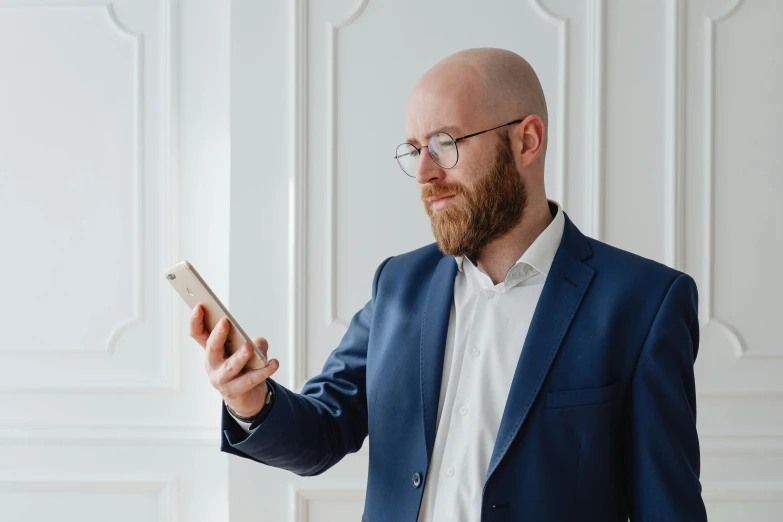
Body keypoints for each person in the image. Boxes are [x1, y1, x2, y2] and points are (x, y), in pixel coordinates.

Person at [189, 47, 708, 521]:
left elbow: (668, 508)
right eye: (414, 148)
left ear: (527, 140)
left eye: (445, 143)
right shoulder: (399, 285)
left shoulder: (645, 303)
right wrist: (250, 403)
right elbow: (324, 431)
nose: (424, 173)